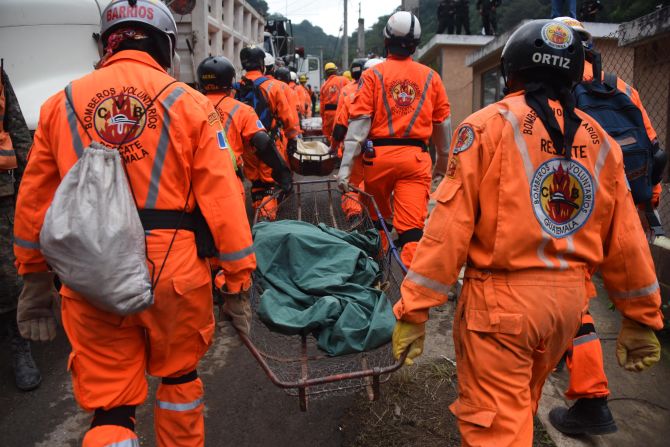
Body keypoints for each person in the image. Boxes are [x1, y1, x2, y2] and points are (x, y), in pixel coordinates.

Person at [391, 19, 663, 447]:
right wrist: (641, 317)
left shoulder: (484, 128)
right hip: (567, 311)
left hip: (500, 309)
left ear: (511, 72)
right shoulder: (601, 141)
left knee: (497, 428)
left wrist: (415, 310)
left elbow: (449, 227)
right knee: (522, 406)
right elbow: (626, 240)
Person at [13, 1, 256, 445]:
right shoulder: (190, 103)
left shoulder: (60, 104)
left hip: (90, 274)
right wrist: (236, 281)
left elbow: (34, 199)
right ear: (165, 46)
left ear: (106, 42)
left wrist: (32, 278)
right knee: (179, 382)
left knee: (111, 405)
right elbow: (224, 199)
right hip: (173, 272)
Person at [544, 16, 666, 436]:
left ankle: (593, 399)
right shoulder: (622, 87)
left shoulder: (558, 91)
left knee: (576, 299)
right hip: (628, 205)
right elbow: (654, 150)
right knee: (579, 296)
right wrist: (648, 201)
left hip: (576, 209)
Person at [337, 11, 452, 268]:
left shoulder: (373, 76)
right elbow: (442, 126)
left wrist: (345, 170)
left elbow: (358, 127)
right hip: (415, 160)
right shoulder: (431, 77)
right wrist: (442, 165)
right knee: (412, 229)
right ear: (415, 43)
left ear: (386, 40)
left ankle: (379, 270)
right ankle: (408, 288)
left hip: (377, 159)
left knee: (379, 219)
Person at [196, 55, 292, 209]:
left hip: (195, 180)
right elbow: (262, 141)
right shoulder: (241, 109)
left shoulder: (187, 105)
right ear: (229, 81)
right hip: (226, 180)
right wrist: (282, 171)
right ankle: (264, 222)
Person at [0, 66, 42, 392]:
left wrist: (36, 183)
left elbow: (15, 125)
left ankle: (20, 349)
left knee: (8, 275)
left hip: (2, 191)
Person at [238, 46, 300, 219]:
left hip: (246, 145)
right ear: (261, 64)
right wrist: (293, 137)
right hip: (269, 143)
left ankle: (258, 217)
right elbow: (287, 116)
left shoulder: (237, 88)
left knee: (256, 183)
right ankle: (266, 221)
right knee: (270, 183)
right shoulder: (273, 86)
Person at [319, 62, 349, 147]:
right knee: (343, 133)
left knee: (329, 136)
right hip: (342, 112)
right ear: (336, 71)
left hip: (329, 115)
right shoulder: (344, 80)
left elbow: (322, 107)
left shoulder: (324, 86)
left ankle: (331, 153)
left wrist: (323, 119)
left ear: (326, 73)